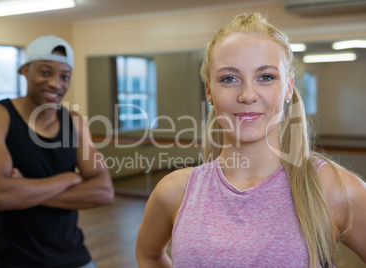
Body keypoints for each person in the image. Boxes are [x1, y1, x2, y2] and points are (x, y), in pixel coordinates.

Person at [135, 13, 366, 268]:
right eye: (229, 79)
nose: (247, 95)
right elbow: (149, 255)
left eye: (266, 77)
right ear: (209, 91)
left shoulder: (333, 189)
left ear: (288, 87)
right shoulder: (175, 191)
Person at [0, 35, 114, 268]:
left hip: (75, 259)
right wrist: (69, 178)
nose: (55, 84)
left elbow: (103, 192)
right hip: (13, 261)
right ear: (25, 70)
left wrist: (24, 190)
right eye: (45, 72)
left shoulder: (75, 122)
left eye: (64, 76)